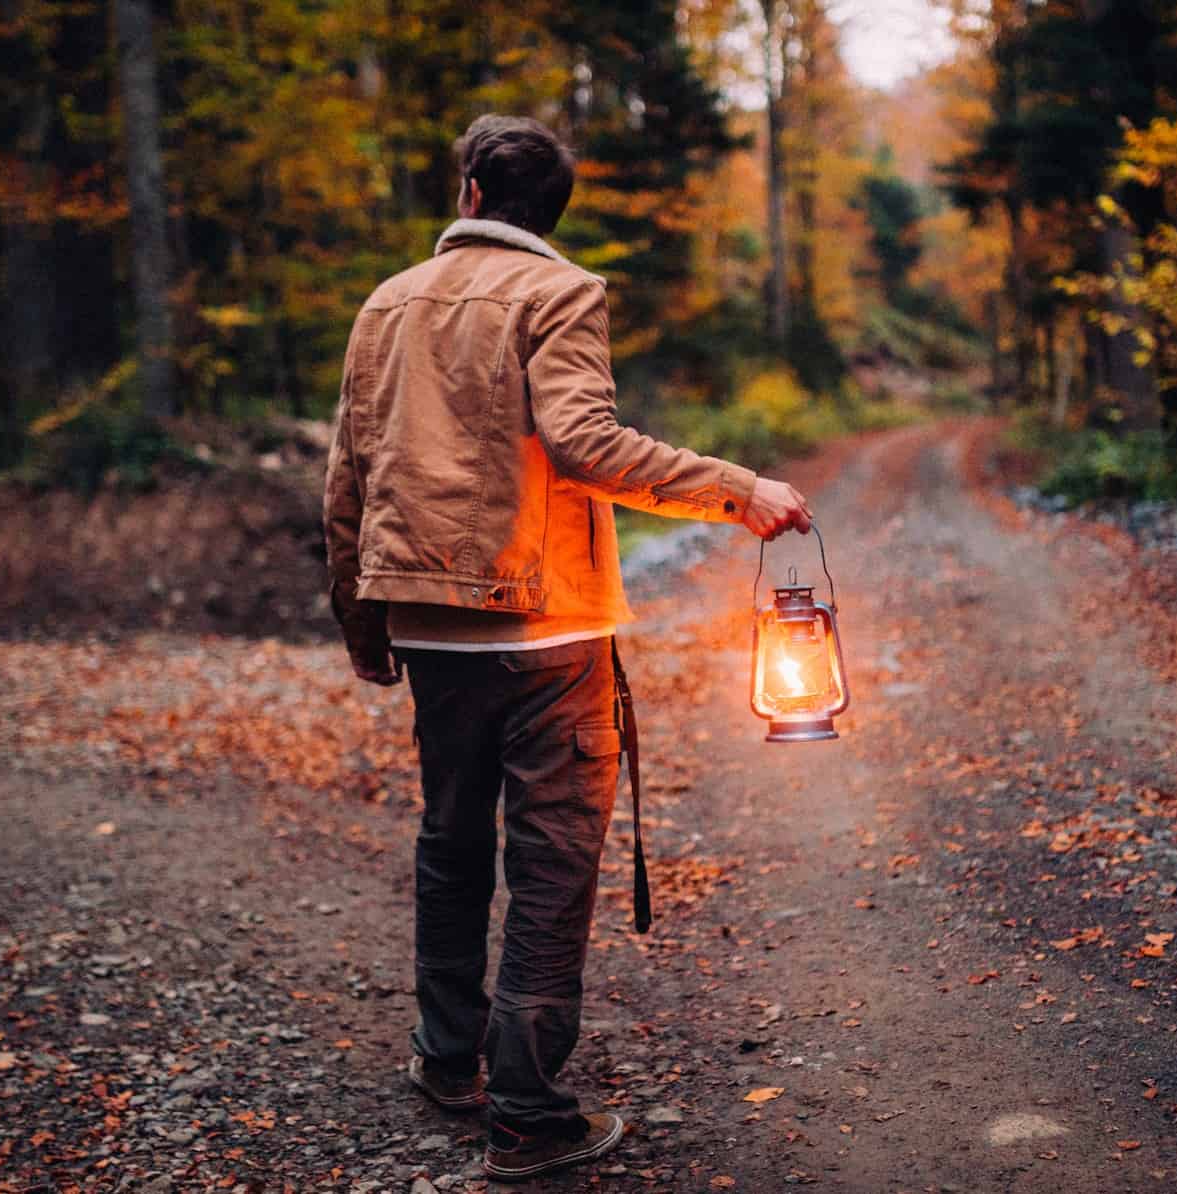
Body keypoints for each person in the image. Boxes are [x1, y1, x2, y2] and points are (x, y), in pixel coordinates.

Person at [322, 114, 813, 1182]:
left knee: (450, 841)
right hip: (549, 627)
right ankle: (530, 1116)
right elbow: (586, 445)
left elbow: (350, 470)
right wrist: (742, 491)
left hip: (428, 622)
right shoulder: (563, 292)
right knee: (550, 863)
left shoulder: (387, 302)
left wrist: (363, 621)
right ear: (552, 211)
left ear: (468, 193)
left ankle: (450, 1062)